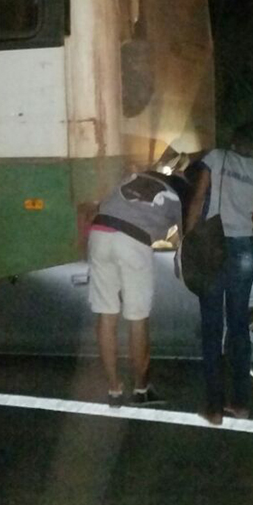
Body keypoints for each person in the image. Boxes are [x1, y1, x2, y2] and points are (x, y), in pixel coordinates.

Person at [185, 123, 253, 425]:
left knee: (212, 328)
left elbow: (198, 200)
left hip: (213, 246)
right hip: (243, 250)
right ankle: (241, 403)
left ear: (233, 141)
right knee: (239, 325)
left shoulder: (216, 158)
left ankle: (213, 408)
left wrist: (188, 239)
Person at [88, 169, 185, 407]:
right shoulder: (178, 198)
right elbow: (186, 242)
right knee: (137, 318)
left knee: (106, 313)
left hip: (99, 232)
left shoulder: (131, 178)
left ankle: (114, 390)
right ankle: (141, 390)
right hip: (132, 241)